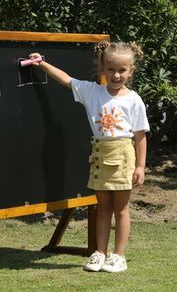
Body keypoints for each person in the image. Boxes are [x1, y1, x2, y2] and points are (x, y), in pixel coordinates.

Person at [29, 41, 149, 273]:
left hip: (123, 155)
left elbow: (140, 136)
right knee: (102, 207)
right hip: (99, 154)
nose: (116, 75)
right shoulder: (92, 91)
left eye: (122, 70)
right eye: (111, 69)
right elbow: (66, 79)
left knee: (121, 208)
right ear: (103, 69)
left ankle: (118, 256)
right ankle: (100, 253)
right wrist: (42, 64)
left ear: (130, 72)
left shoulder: (133, 100)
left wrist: (141, 166)